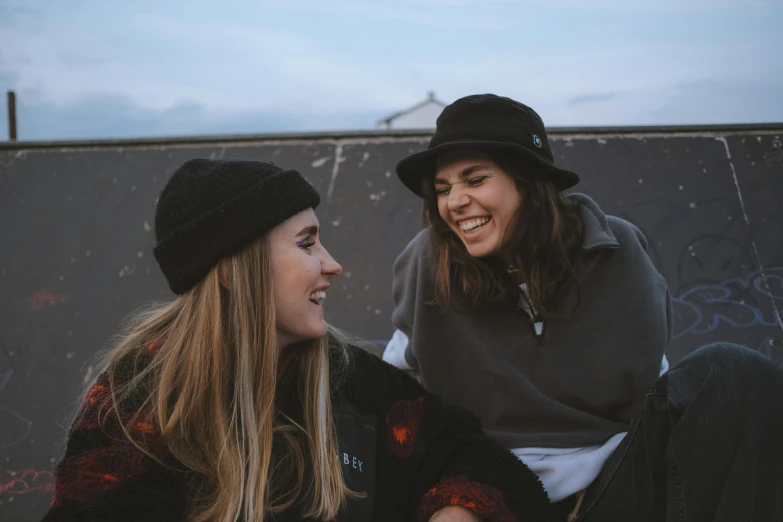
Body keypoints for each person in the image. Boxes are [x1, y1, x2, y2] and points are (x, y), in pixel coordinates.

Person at [41, 159, 554, 522]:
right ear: (232, 269)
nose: (333, 263)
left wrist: (459, 509)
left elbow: (472, 456)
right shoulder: (140, 399)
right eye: (307, 243)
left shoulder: (357, 384)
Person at [385, 94, 783, 521]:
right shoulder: (429, 262)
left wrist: (601, 471)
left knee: (732, 369)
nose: (454, 202)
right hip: (492, 487)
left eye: (476, 179)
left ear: (529, 179)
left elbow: (653, 382)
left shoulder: (616, 251)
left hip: (613, 479)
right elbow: (397, 389)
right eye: (443, 189)